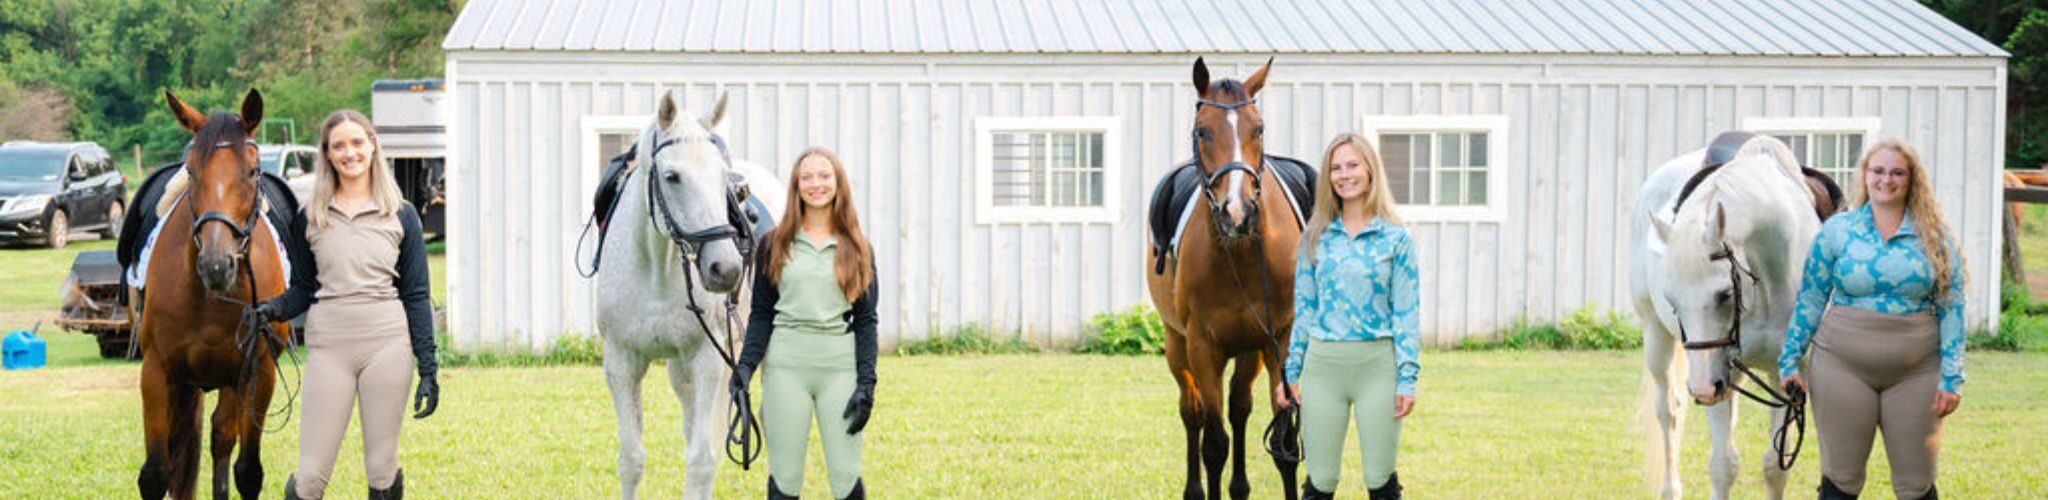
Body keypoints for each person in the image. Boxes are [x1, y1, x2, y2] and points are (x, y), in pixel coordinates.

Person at [254, 109, 439, 500]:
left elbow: (417, 296)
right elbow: (303, 289)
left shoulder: (402, 214)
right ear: (327, 154)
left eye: (357, 142)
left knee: (381, 470)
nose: (349, 152)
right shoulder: (310, 216)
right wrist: (272, 310)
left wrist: (429, 367)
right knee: (310, 477)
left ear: (372, 145)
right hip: (330, 348)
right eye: (338, 145)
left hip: (388, 346)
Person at [1780, 138, 1964, 500]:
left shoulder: (1935, 236)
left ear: (1912, 180)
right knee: (1840, 479)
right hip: (1841, 367)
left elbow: (1952, 304)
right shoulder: (1837, 231)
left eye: (1898, 172)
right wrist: (1789, 360)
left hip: (1917, 372)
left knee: (1916, 482)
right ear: (1864, 176)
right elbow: (1812, 297)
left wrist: (1952, 377)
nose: (1887, 179)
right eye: (1878, 171)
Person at [731, 147, 879, 500]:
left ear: (838, 183)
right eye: (807, 177)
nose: (816, 184)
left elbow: (866, 320)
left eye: (824, 176)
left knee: (846, 479)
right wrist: (745, 369)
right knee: (785, 479)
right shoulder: (773, 244)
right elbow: (762, 315)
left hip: (839, 372)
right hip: (786, 370)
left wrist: (867, 385)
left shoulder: (858, 247)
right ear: (796, 186)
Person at [1284, 133, 1420, 500]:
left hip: (1378, 368)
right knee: (1320, 480)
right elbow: (1305, 310)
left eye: (1352, 165)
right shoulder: (1314, 238)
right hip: (1323, 368)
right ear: (1328, 177)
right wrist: (1291, 370)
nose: (1345, 175)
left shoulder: (1397, 239)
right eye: (1336, 168)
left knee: (1380, 478)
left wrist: (1407, 378)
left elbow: (1406, 313)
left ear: (1370, 170)